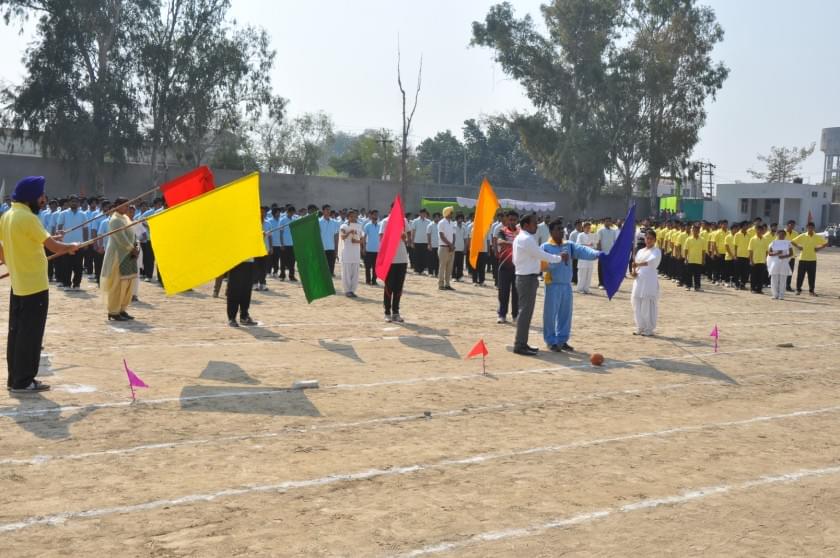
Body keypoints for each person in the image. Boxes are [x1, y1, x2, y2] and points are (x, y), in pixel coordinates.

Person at [0, 176, 80, 392]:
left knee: (17, 334)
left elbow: (5, 249)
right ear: (30, 197)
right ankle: (25, 381)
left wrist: (15, 262)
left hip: (19, 285)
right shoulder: (27, 218)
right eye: (41, 195)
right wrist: (71, 246)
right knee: (31, 335)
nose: (44, 199)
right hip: (34, 286)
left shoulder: (7, 216)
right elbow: (54, 247)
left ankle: (15, 379)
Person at [512, 213, 570, 356]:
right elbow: (540, 255)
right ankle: (520, 345)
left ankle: (522, 343)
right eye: (533, 223)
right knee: (525, 313)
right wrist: (558, 258)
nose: (536, 226)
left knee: (526, 312)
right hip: (526, 278)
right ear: (526, 225)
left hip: (526, 277)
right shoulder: (526, 239)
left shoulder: (524, 237)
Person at [541, 218, 600, 351]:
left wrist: (597, 254)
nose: (562, 232)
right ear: (551, 231)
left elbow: (583, 250)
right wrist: (557, 260)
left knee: (565, 314)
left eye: (562, 229)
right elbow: (542, 266)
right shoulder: (545, 247)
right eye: (558, 229)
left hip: (566, 285)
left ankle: (562, 339)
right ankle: (551, 340)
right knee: (550, 314)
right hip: (552, 284)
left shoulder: (569, 245)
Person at [101, 197, 139, 321]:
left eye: (128, 206)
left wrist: (136, 245)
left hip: (129, 255)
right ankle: (113, 311)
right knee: (117, 285)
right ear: (117, 205)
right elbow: (121, 238)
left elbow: (133, 234)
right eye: (124, 205)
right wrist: (131, 248)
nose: (127, 208)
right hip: (118, 256)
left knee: (128, 284)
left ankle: (122, 309)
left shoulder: (126, 218)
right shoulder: (115, 220)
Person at [380, 206, 409, 323]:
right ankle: (387, 312)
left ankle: (396, 312)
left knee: (399, 288)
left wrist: (404, 237)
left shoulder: (404, 221)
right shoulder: (385, 222)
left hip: (402, 259)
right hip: (390, 260)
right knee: (389, 287)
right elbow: (382, 239)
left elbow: (406, 237)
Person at [631, 230, 662, 336]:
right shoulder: (640, 251)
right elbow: (635, 265)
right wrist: (633, 272)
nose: (648, 240)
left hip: (649, 280)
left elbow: (651, 262)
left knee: (647, 303)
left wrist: (638, 264)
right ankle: (640, 326)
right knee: (637, 302)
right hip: (639, 279)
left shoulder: (656, 251)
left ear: (654, 240)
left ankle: (649, 328)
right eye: (647, 238)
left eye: (650, 238)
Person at [55, 194, 87, 290]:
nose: (74, 203)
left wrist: (85, 242)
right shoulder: (63, 214)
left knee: (78, 266)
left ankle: (77, 284)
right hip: (66, 244)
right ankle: (67, 284)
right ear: (69, 203)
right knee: (66, 265)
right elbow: (59, 228)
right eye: (72, 201)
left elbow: (85, 229)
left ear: (78, 203)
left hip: (79, 244)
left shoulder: (83, 214)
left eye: (76, 201)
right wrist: (59, 241)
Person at [496, 210, 519, 323]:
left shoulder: (520, 232)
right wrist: (514, 244)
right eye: (510, 219)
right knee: (503, 292)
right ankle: (502, 314)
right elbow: (500, 242)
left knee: (516, 292)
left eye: (514, 220)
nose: (512, 222)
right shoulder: (502, 231)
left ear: (517, 220)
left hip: (517, 266)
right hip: (504, 265)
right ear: (506, 220)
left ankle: (515, 315)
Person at [792, 222, 827, 296]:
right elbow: (792, 241)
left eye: (812, 227)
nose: (810, 229)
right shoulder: (803, 235)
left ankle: (811, 291)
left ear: (814, 228)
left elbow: (825, 243)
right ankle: (798, 290)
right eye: (809, 227)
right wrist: (798, 247)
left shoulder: (816, 236)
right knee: (800, 275)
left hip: (812, 259)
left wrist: (819, 248)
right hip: (803, 258)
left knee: (812, 276)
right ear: (807, 228)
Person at [339, 209, 363, 297]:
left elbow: (362, 239)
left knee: (355, 273)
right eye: (351, 216)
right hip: (347, 253)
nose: (354, 218)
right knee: (347, 273)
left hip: (356, 253)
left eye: (355, 216)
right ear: (348, 217)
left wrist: (357, 241)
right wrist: (349, 232)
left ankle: (352, 290)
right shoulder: (344, 226)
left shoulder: (359, 226)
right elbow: (342, 237)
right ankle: (347, 290)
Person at [767, 229, 793, 300]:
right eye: (780, 234)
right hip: (775, 262)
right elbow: (769, 253)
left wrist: (784, 256)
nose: (781, 236)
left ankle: (781, 295)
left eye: (783, 234)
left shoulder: (788, 243)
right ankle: (775, 294)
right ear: (777, 235)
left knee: (783, 279)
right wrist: (777, 253)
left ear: (785, 235)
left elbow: (791, 253)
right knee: (774, 278)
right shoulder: (773, 243)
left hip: (784, 262)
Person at [748, 224, 771, 294]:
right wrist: (751, 260)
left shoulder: (765, 239)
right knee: (754, 276)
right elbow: (750, 250)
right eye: (758, 230)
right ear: (756, 230)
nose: (760, 231)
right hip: (754, 260)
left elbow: (767, 250)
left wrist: (765, 259)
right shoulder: (752, 239)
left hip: (762, 261)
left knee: (761, 276)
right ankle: (752, 288)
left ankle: (759, 289)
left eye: (761, 230)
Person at [437, 206, 456, 290]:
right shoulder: (441, 222)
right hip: (443, 247)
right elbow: (442, 236)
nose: (452, 214)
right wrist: (450, 244)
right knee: (442, 266)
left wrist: (452, 245)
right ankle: (441, 284)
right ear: (447, 213)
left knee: (449, 267)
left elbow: (454, 235)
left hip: (451, 248)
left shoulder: (452, 223)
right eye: (451, 212)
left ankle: (447, 284)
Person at [596, 217, 617, 289]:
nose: (608, 223)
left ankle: (607, 283)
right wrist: (600, 252)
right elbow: (598, 241)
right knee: (601, 268)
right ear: (604, 222)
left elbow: (614, 242)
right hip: (603, 252)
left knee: (609, 269)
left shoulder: (613, 231)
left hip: (610, 253)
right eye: (607, 221)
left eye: (609, 221)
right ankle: (601, 283)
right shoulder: (600, 230)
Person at [683, 224, 705, 292]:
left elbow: (703, 250)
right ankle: (688, 286)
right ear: (692, 231)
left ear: (699, 231)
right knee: (689, 274)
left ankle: (697, 287)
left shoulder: (702, 239)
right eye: (694, 230)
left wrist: (703, 259)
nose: (695, 231)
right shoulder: (688, 239)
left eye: (696, 230)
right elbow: (686, 249)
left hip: (698, 260)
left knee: (697, 274)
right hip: (690, 259)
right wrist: (686, 258)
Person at [319, 204, 339, 277]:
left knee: (331, 267)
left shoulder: (334, 222)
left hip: (331, 247)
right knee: (322, 268)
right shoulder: (318, 222)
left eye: (329, 210)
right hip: (322, 248)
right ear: (323, 211)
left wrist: (336, 249)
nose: (328, 211)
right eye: (326, 209)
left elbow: (336, 236)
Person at [575, 222, 596, 294]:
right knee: (582, 274)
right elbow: (578, 245)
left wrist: (592, 246)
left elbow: (594, 245)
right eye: (587, 227)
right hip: (583, 257)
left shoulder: (592, 235)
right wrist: (587, 245)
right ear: (583, 228)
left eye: (589, 228)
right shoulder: (580, 235)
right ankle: (580, 288)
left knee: (589, 273)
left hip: (589, 257)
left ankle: (586, 288)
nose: (588, 229)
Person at [362, 209, 380, 286]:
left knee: (376, 267)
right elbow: (364, 237)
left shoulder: (380, 226)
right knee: (368, 267)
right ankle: (368, 280)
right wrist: (363, 248)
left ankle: (374, 280)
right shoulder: (367, 225)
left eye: (377, 214)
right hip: (369, 249)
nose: (376, 216)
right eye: (374, 214)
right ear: (371, 215)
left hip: (378, 250)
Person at [409, 209, 430, 274]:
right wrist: (412, 242)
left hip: (425, 242)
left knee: (424, 256)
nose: (424, 214)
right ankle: (417, 270)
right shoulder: (415, 221)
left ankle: (423, 269)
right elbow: (413, 232)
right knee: (417, 256)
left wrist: (429, 242)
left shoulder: (428, 221)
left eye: (425, 213)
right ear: (420, 213)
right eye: (422, 213)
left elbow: (429, 232)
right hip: (417, 241)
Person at [783, 220, 798, 292]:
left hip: (792, 256)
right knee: (782, 271)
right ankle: (781, 285)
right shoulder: (782, 232)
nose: (792, 226)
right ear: (787, 225)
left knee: (790, 271)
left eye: (793, 225)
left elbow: (798, 243)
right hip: (784, 256)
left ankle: (788, 286)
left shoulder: (796, 233)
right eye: (790, 225)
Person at [453, 213, 467, 282]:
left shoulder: (464, 227)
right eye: (459, 218)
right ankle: (453, 276)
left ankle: (460, 276)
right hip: (454, 248)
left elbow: (465, 238)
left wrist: (465, 248)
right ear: (457, 219)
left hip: (461, 247)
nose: (460, 220)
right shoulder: (453, 226)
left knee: (460, 263)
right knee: (454, 263)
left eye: (461, 218)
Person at [426, 212, 441, 277]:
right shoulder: (430, 225)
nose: (437, 218)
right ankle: (431, 272)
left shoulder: (441, 225)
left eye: (438, 217)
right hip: (432, 245)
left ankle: (437, 273)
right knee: (431, 260)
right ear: (434, 217)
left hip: (439, 245)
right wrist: (429, 244)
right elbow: (428, 235)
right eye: (436, 217)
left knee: (438, 260)